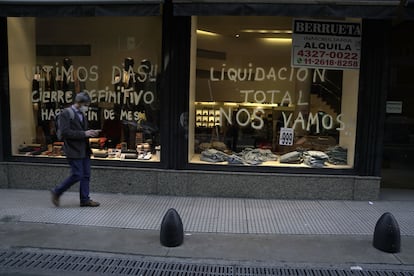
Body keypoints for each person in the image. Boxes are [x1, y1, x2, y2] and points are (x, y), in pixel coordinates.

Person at [51, 92, 100, 207]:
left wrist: (90, 133)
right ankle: (57, 191)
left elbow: (82, 130)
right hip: (73, 150)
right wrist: (84, 133)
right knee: (77, 174)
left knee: (86, 175)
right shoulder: (66, 114)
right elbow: (65, 132)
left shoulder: (82, 114)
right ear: (79, 103)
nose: (87, 107)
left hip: (84, 150)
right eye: (86, 104)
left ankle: (85, 199)